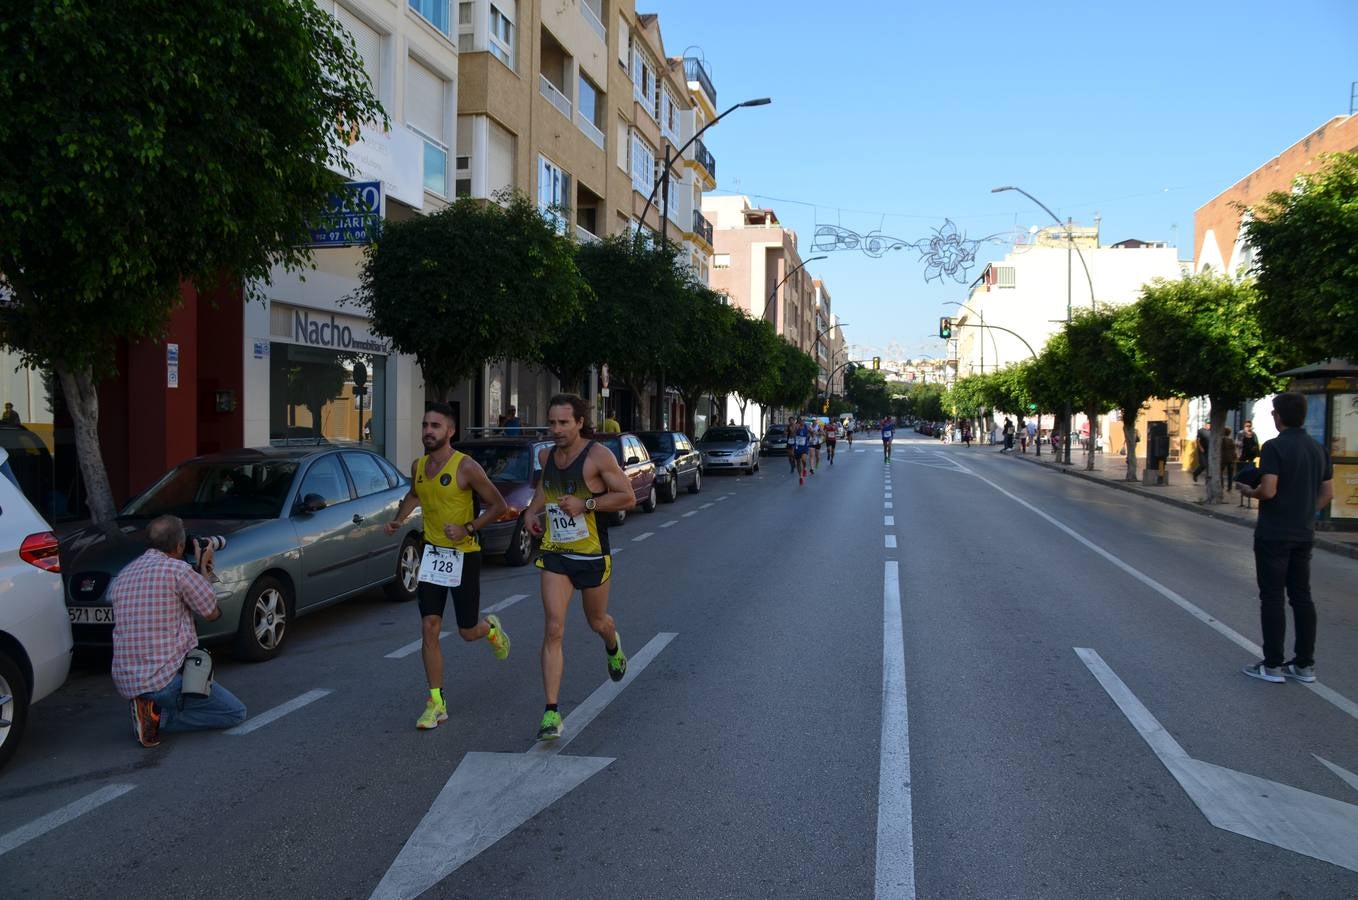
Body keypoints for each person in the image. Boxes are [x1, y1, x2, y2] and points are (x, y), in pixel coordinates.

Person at [386, 402, 511, 730]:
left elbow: (499, 505)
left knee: (467, 631)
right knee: (430, 626)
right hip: (431, 555)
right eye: (425, 425)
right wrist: (399, 520)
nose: (428, 431)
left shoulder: (466, 467)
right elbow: (415, 494)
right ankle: (435, 702)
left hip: (464, 555)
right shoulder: (418, 465)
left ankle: (491, 629)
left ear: (450, 431)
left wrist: (469, 528)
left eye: (435, 426)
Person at [526, 393, 633, 741]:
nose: (555, 429)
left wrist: (586, 503)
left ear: (579, 423)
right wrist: (531, 511)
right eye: (552, 422)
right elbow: (545, 488)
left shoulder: (598, 456)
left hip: (591, 555)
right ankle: (551, 713)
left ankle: (612, 642)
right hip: (556, 552)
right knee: (553, 628)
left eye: (563, 423)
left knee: (596, 621)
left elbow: (627, 496)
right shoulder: (546, 455)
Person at [110, 514, 247, 748]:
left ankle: (149, 706)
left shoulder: (123, 575)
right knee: (235, 713)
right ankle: (158, 717)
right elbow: (211, 612)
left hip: (127, 681)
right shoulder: (178, 571)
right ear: (179, 546)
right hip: (164, 681)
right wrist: (203, 567)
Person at [1236, 392, 1334, 684]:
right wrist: (1305, 512)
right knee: (1302, 597)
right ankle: (1304, 664)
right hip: (1303, 532)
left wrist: (1248, 492)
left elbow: (1268, 490)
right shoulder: (1319, 449)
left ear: (1279, 416)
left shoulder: (1274, 447)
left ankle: (1273, 665)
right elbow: (1327, 493)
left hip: (1274, 533)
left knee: (1273, 597)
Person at [791, 417, 811, 485]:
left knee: (804, 460)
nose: (802, 422)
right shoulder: (796, 426)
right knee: (798, 463)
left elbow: (812, 432)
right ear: (799, 421)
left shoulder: (806, 427)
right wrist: (795, 429)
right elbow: (792, 434)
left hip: (804, 447)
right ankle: (801, 477)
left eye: (803, 420)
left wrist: (812, 435)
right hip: (797, 447)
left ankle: (805, 468)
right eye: (801, 420)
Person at [1220, 426, 1238, 490]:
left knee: (1220, 473)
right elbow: (1234, 450)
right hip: (1231, 459)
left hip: (1223, 459)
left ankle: (1221, 486)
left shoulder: (1221, 440)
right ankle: (1229, 487)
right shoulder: (1232, 440)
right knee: (1230, 474)